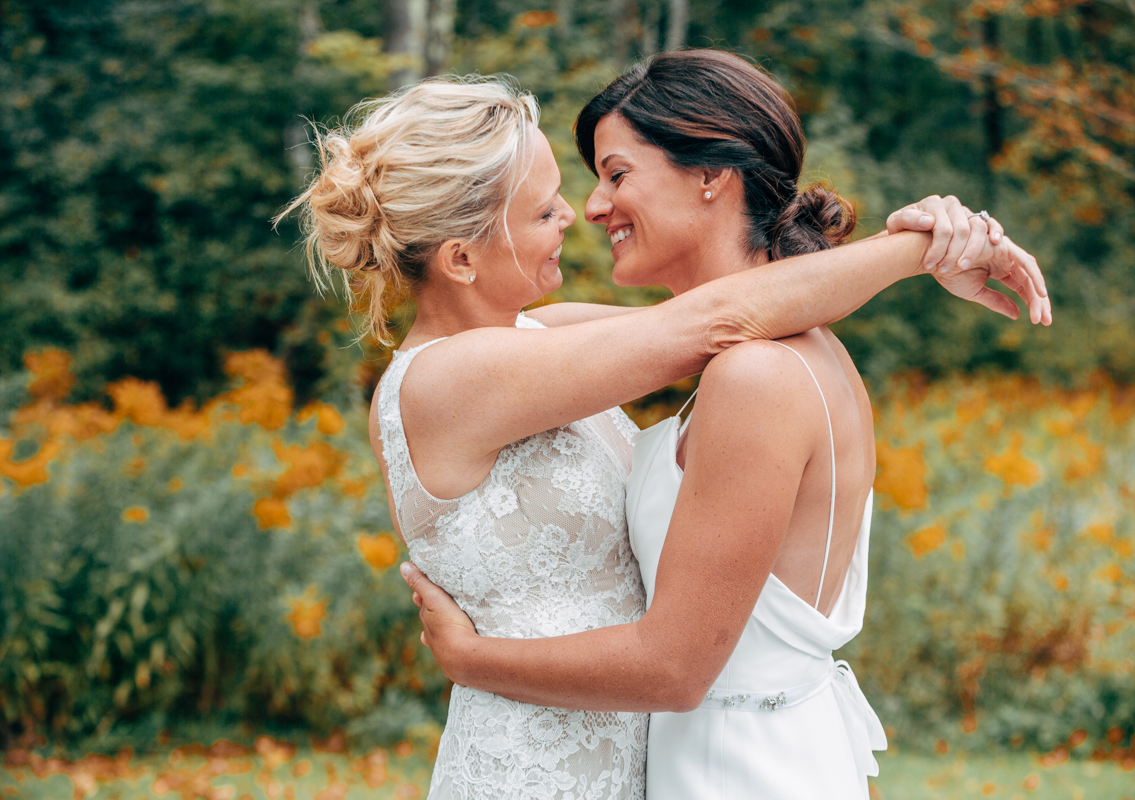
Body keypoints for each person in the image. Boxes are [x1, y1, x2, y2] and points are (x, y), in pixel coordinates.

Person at [279, 69, 1048, 799]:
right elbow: (717, 320)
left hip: (653, 759)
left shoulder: (541, 341)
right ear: (460, 257)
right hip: (535, 770)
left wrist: (941, 235)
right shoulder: (451, 382)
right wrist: (920, 249)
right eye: (544, 210)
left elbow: (738, 308)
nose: (576, 213)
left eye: (606, 179)